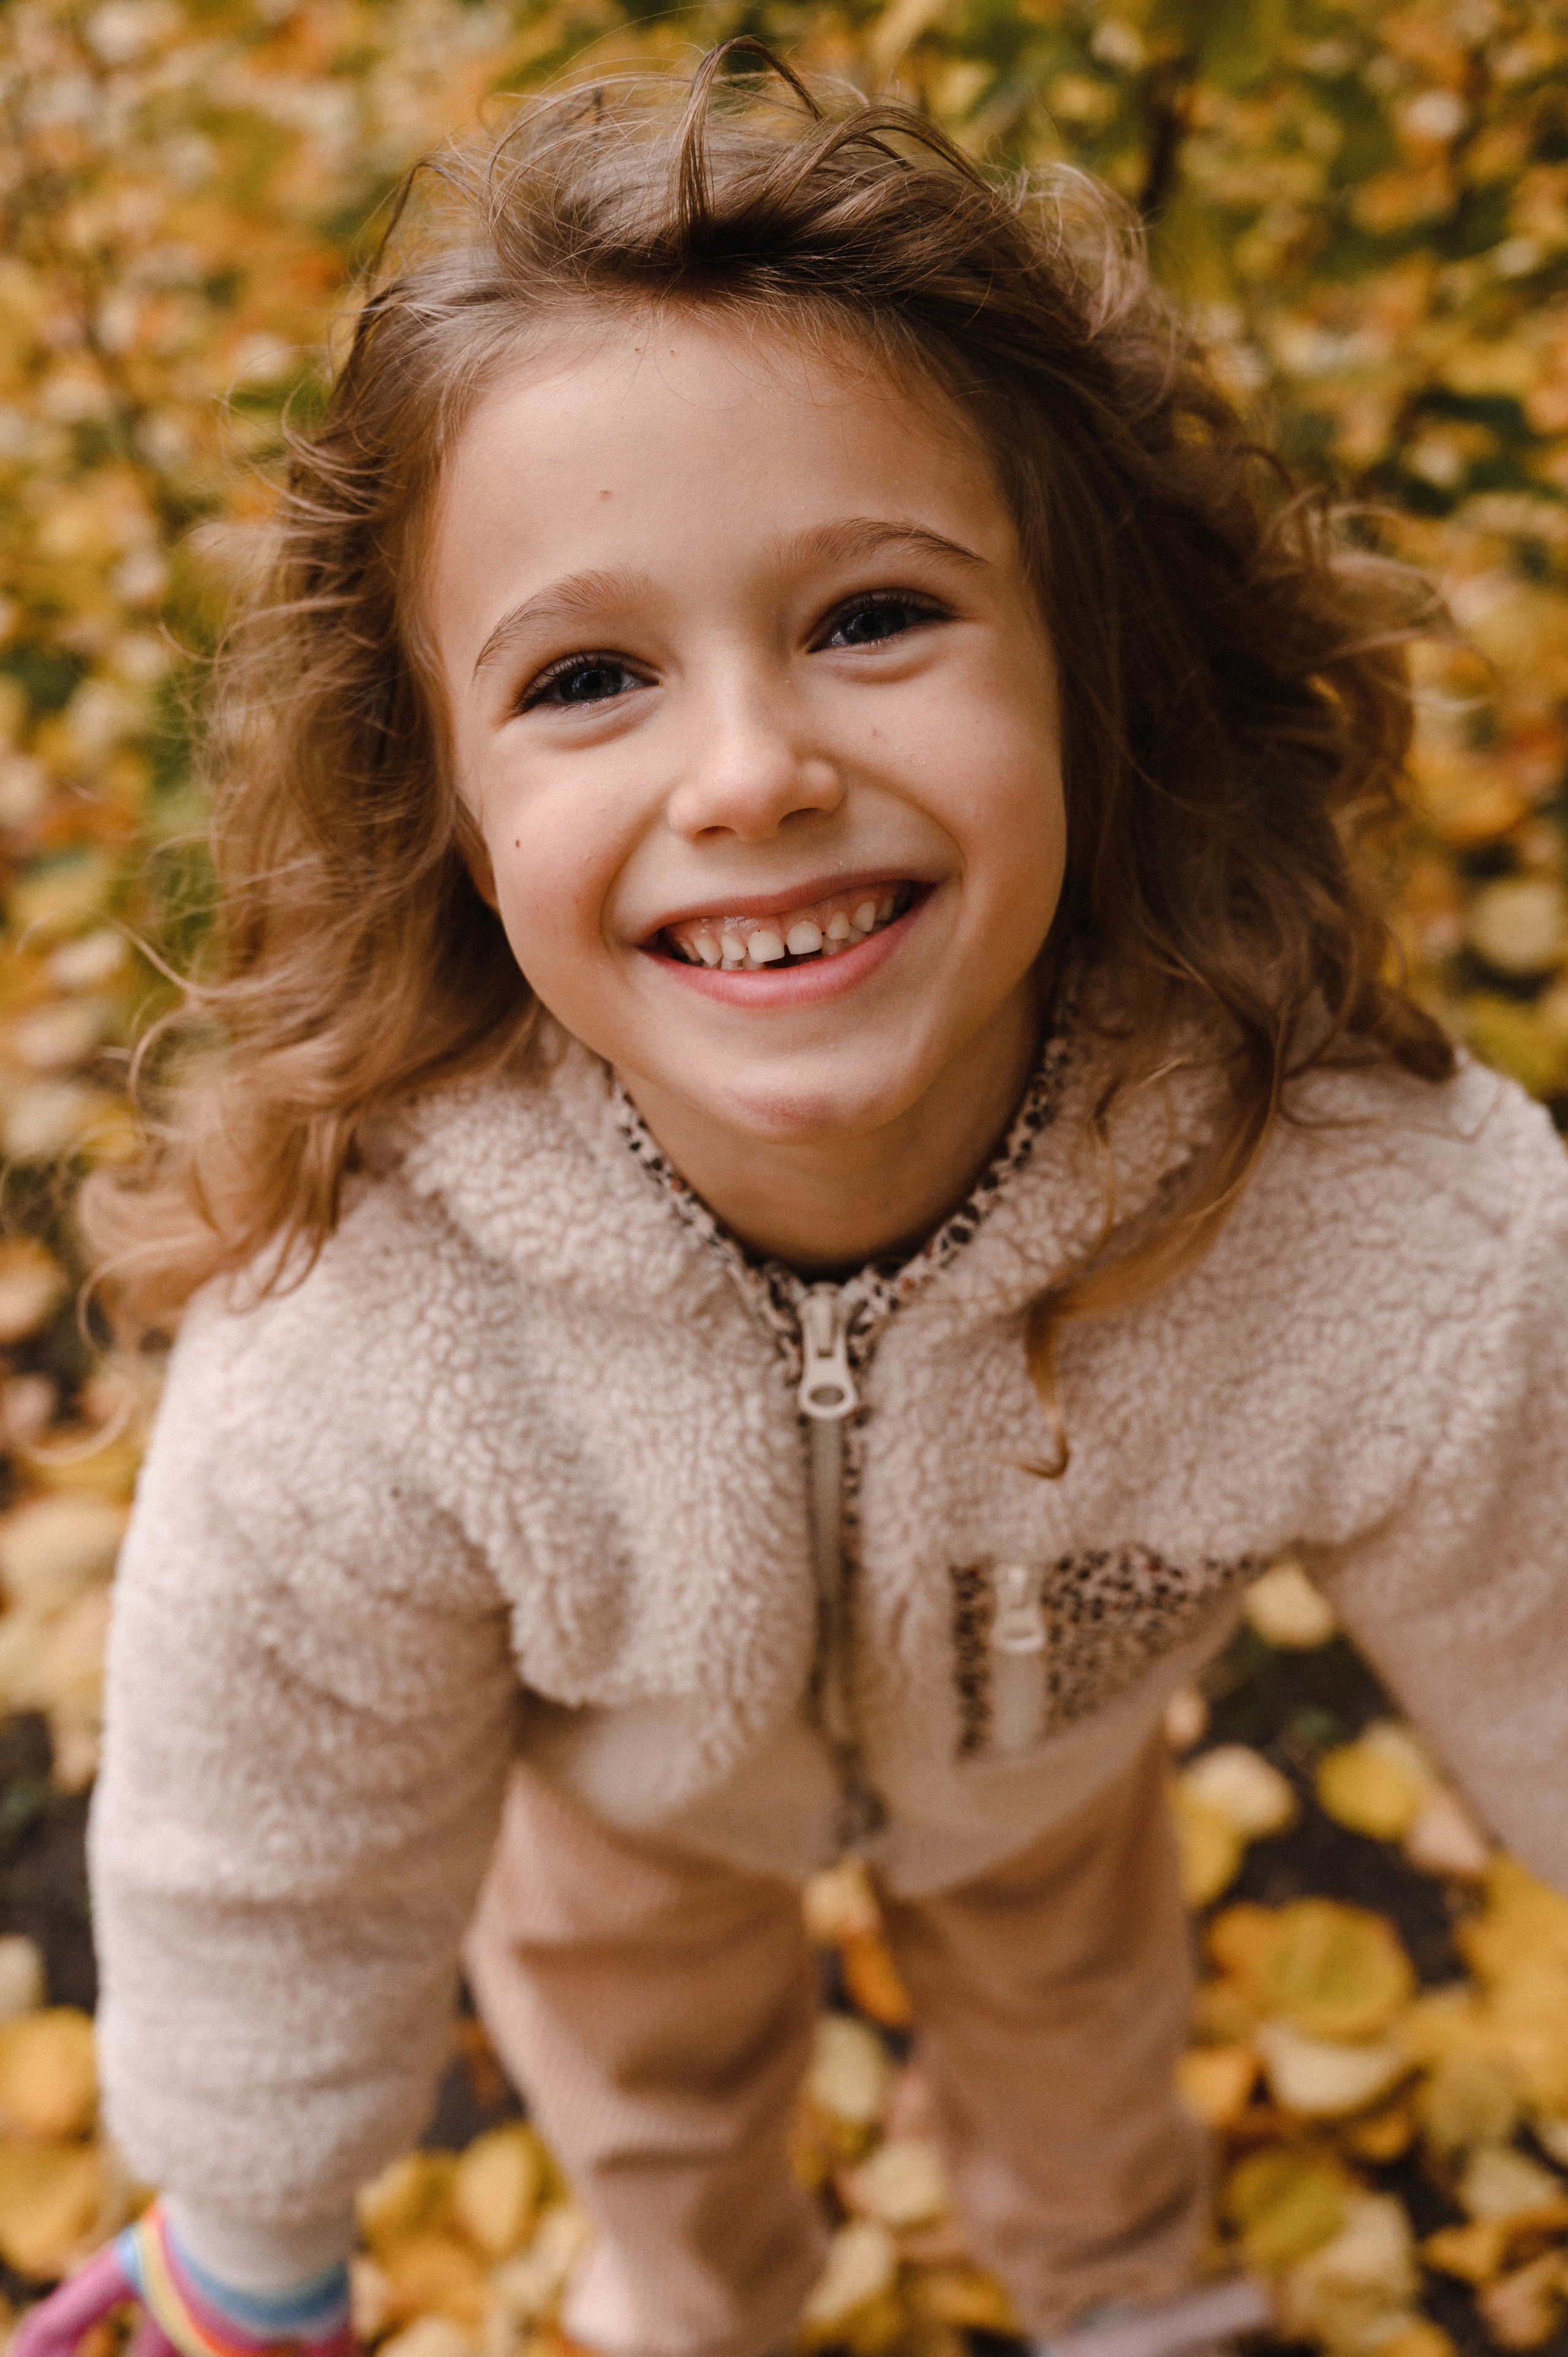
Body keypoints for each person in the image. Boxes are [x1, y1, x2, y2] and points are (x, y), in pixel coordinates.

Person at [17, 39, 1568, 2357]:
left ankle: (1129, 2292)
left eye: (872, 618)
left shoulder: (1354, 1230)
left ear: (1093, 663)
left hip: (1043, 1767)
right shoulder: (374, 1325)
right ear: (433, 785)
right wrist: (253, 2238)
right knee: (667, 2132)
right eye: (589, 676)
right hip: (624, 1822)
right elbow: (276, 1829)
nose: (749, 772)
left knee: (1085, 2062)